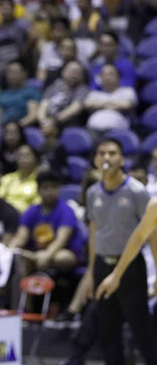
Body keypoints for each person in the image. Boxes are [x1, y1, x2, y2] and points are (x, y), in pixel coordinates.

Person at [79, 138, 157, 365]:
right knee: (107, 329)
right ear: (95, 159)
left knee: (140, 326)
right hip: (104, 265)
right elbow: (94, 233)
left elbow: (150, 234)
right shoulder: (93, 193)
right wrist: (92, 273)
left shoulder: (137, 192)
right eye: (102, 153)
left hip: (131, 268)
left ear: (122, 160)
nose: (106, 158)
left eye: (112, 153)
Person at [8, 170, 83, 276]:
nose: (50, 192)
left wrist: (46, 256)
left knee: (62, 257)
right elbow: (21, 237)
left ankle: (33, 258)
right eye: (45, 188)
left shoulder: (66, 210)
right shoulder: (31, 211)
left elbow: (61, 240)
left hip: (60, 252)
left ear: (59, 189)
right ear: (38, 191)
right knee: (18, 259)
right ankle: (22, 292)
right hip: (36, 253)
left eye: (53, 187)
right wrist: (11, 248)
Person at [84, 64, 137, 133]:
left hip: (118, 131)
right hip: (93, 130)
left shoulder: (127, 91)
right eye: (104, 75)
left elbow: (126, 105)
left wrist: (99, 105)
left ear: (119, 77)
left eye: (111, 74)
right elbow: (87, 104)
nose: (107, 77)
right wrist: (115, 105)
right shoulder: (94, 93)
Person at [0, 144, 41, 213]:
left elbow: (37, 206)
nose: (23, 158)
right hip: (5, 216)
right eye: (20, 155)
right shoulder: (7, 178)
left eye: (27, 155)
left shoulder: (39, 181)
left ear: (35, 159)